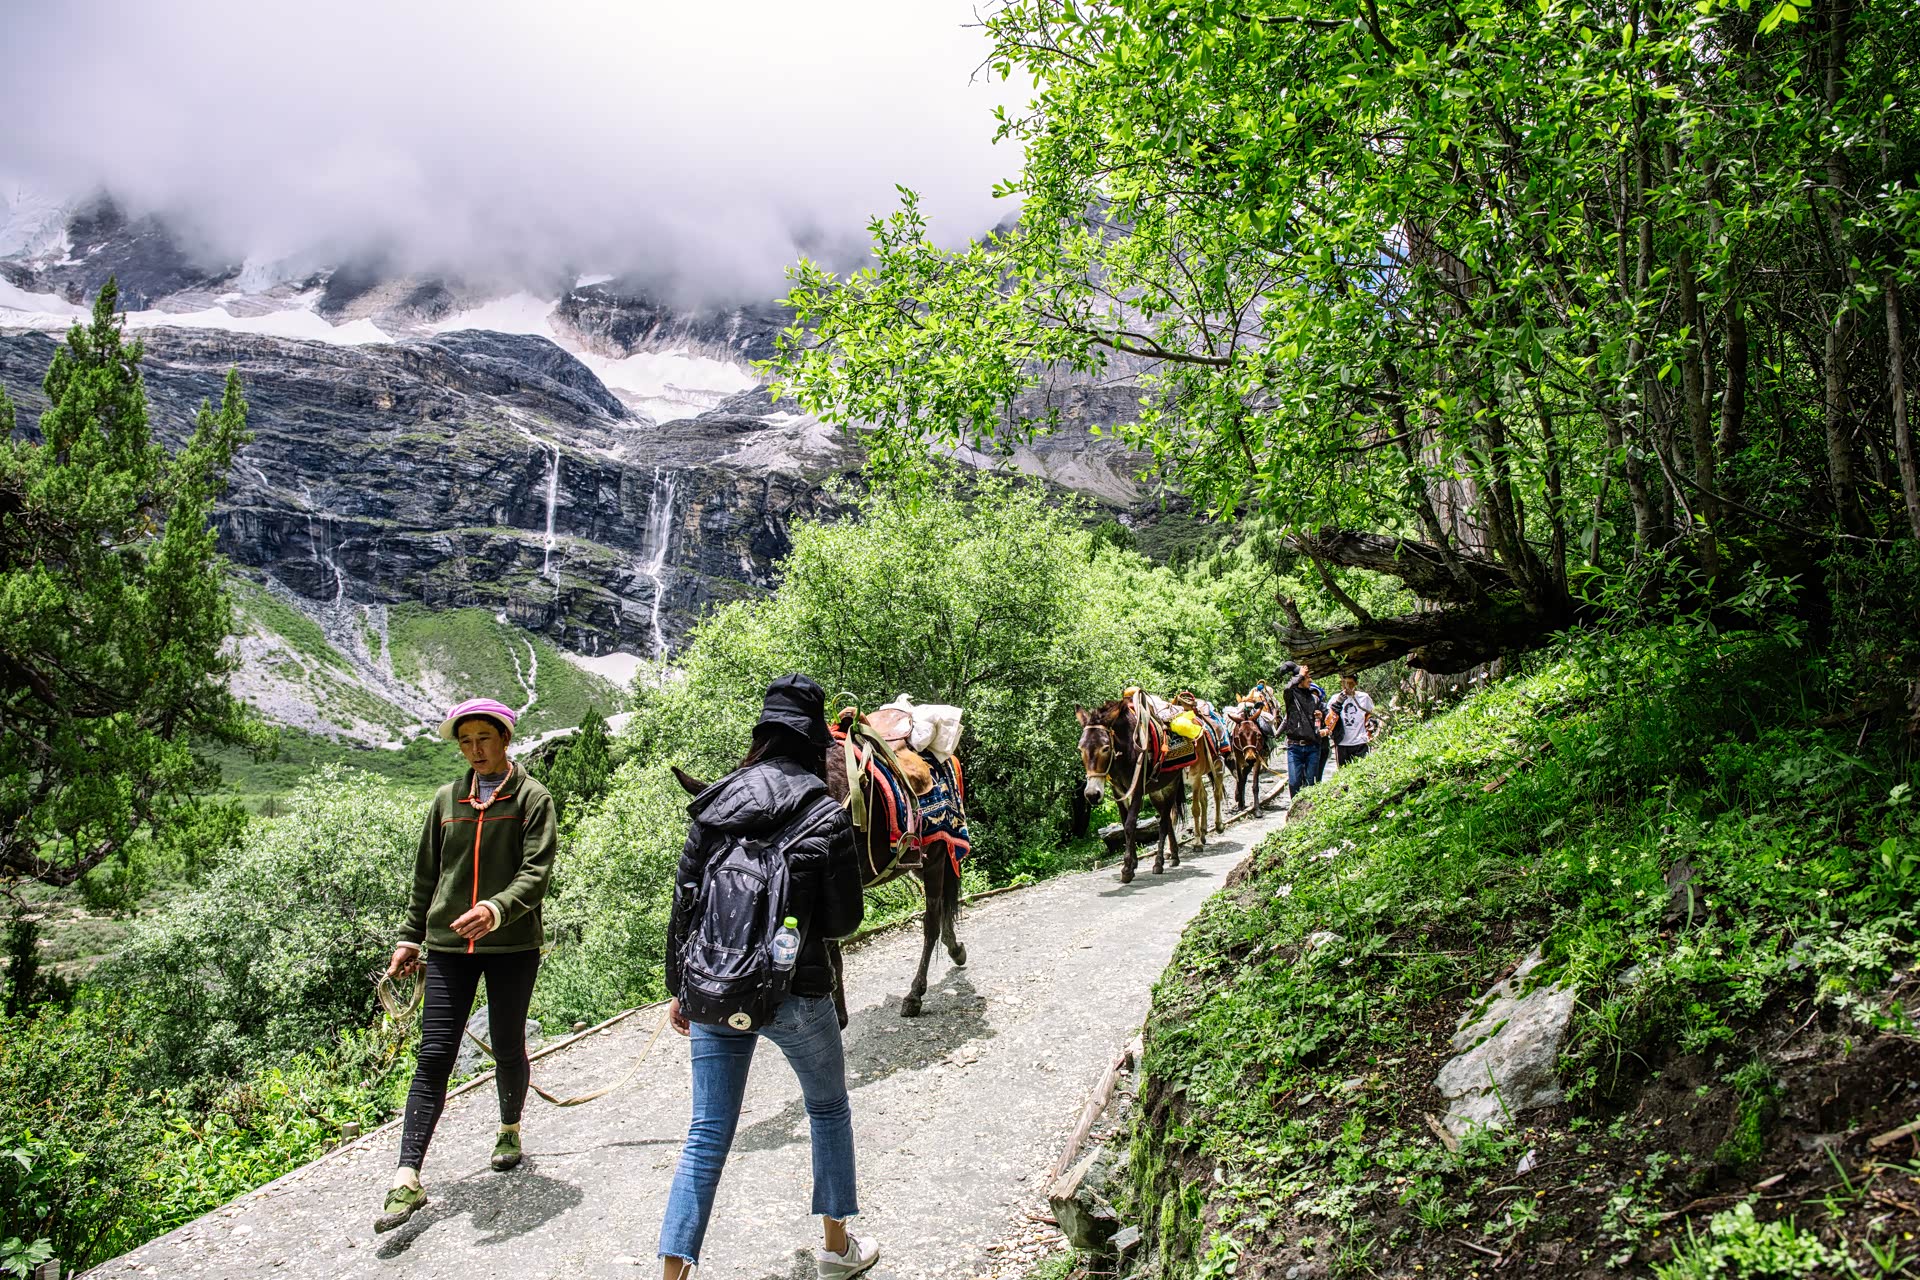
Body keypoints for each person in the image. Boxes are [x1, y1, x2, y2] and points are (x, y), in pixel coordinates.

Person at [657, 674, 873, 1280]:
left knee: (706, 1133)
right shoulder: (825, 812)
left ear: (763, 733)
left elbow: (686, 903)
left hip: (715, 984)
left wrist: (679, 989)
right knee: (827, 1108)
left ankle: (672, 1274)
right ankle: (836, 1250)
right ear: (815, 739)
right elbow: (844, 920)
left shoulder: (717, 803)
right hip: (796, 990)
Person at [377, 697, 557, 1233]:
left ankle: (509, 1128)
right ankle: (407, 1176)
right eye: (465, 741)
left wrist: (496, 909)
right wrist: (410, 938)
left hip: (512, 945)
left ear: (505, 739)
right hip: (448, 946)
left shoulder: (532, 798)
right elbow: (426, 877)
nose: (475, 750)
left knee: (507, 1043)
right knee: (434, 1055)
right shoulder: (445, 800)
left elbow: (536, 873)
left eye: (484, 738)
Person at [1278, 662, 1325, 796]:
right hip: (1295, 747)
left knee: (1311, 783)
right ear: (1300, 679)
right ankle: (1294, 807)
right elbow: (1287, 688)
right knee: (1294, 783)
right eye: (1307, 677)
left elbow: (1321, 720)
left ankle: (1310, 808)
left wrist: (1320, 717)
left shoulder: (1314, 698)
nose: (1310, 680)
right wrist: (1300, 675)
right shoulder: (1291, 696)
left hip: (1312, 746)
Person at [1329, 672, 1378, 767]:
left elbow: (1369, 714)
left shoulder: (1364, 697)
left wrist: (1370, 727)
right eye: (1345, 683)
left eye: (1350, 683)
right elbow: (1329, 721)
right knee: (1344, 771)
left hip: (1360, 741)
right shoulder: (1335, 699)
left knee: (1363, 768)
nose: (1347, 687)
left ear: (1356, 683)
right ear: (1341, 683)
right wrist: (1338, 703)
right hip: (1342, 742)